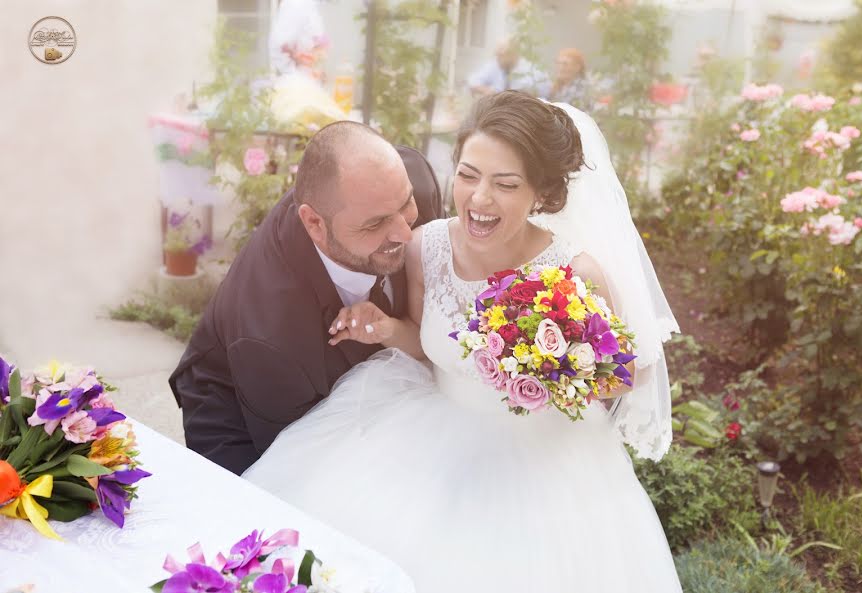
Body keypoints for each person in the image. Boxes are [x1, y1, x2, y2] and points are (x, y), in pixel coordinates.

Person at [244, 91, 683, 591]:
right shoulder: (425, 246)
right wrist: (387, 329)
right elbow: (423, 341)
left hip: (545, 461)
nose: (479, 198)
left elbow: (629, 374)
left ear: (540, 193)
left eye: (505, 184)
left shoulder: (574, 272)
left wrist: (557, 366)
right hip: (432, 435)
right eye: (468, 175)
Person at [168, 122, 444, 475]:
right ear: (315, 223)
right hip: (253, 429)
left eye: (406, 205)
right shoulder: (270, 334)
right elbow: (301, 460)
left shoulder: (394, 182)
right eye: (374, 224)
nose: (406, 233)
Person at [467, 38, 550, 98]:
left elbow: (546, 93)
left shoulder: (532, 70)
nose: (497, 58)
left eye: (501, 55)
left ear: (513, 54)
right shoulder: (495, 65)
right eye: (497, 54)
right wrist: (489, 91)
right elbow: (472, 81)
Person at [269, 0, 329, 79]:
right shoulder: (296, 4)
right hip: (297, 76)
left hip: (307, 74)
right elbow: (282, 43)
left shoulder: (314, 5)